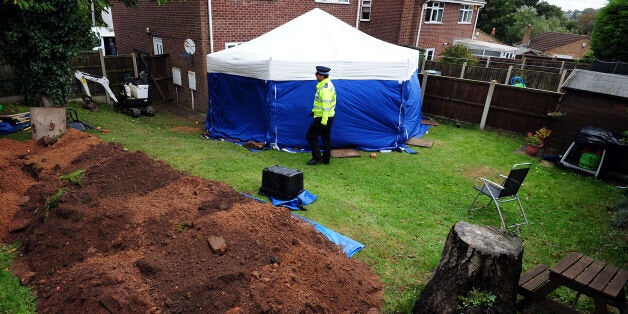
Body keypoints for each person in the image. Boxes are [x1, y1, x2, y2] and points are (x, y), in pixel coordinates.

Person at [306, 65, 336, 165]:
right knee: (325, 137)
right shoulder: (326, 85)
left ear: (321, 76)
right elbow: (321, 103)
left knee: (311, 136)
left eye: (317, 74)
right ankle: (326, 158)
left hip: (323, 118)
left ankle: (317, 157)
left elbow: (326, 106)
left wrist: (323, 122)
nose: (315, 76)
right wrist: (314, 111)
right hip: (328, 116)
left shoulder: (325, 89)